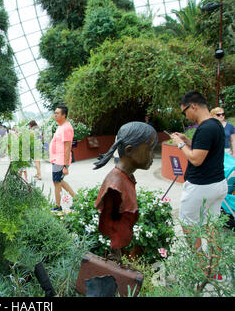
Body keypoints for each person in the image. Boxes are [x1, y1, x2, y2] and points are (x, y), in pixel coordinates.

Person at [170, 91, 227, 253]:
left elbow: (196, 159)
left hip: (201, 186)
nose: (185, 116)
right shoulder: (215, 124)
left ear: (193, 106)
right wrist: (188, 141)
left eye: (184, 111)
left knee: (188, 223)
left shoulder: (205, 128)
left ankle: (200, 266)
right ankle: (215, 270)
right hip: (218, 183)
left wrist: (180, 144)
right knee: (212, 225)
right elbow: (207, 149)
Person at [93, 122, 157, 262]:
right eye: (149, 149)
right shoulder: (116, 184)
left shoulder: (126, 177)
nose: (152, 155)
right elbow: (111, 223)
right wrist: (116, 250)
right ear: (129, 150)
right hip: (117, 252)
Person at [49, 105, 75, 211]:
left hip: (60, 161)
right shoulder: (61, 126)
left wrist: (65, 166)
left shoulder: (66, 128)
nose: (55, 115)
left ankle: (58, 206)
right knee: (59, 181)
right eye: (54, 113)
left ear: (63, 115)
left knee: (57, 183)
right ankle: (77, 198)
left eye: (57, 113)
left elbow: (68, 147)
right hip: (57, 160)